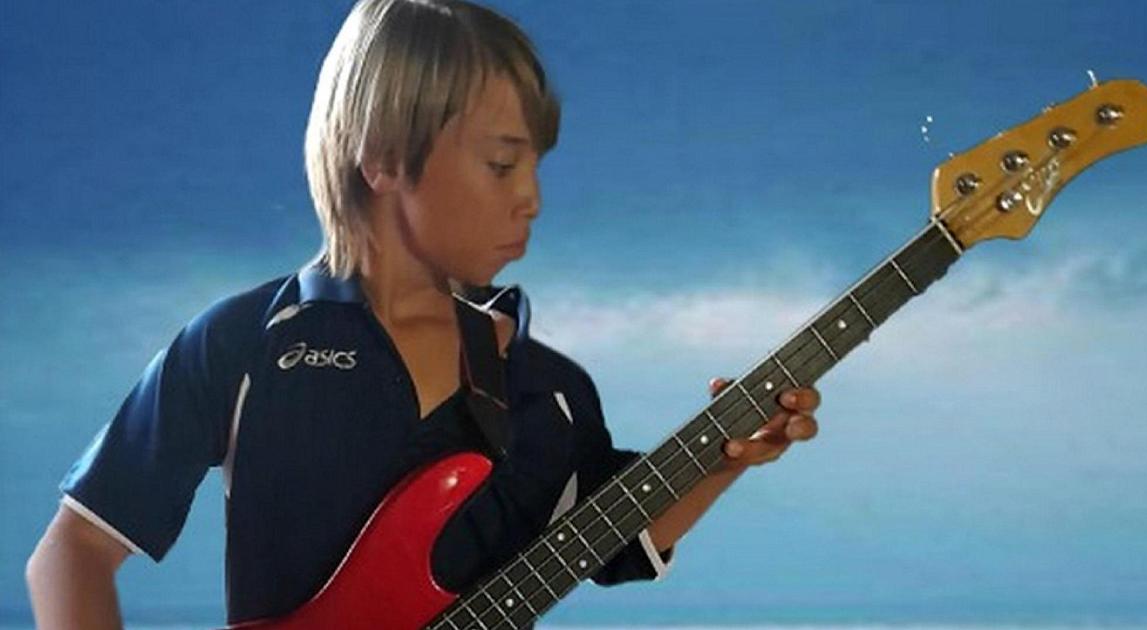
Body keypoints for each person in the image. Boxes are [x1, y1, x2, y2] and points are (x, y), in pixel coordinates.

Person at [25, 1, 821, 627]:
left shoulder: (546, 387)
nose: (532, 199)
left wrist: (727, 457)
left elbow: (612, 543)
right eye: (501, 164)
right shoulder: (246, 343)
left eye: (536, 167)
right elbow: (74, 551)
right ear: (380, 156)